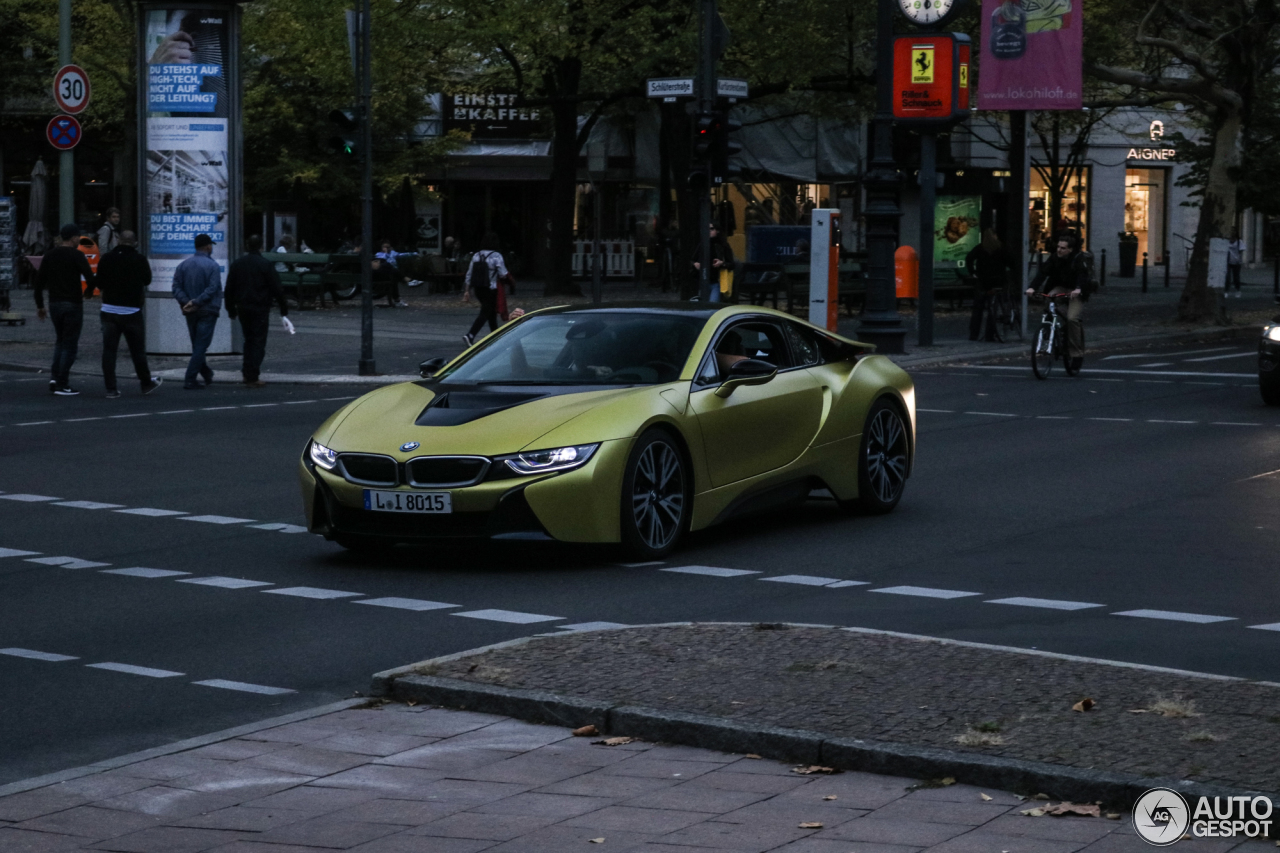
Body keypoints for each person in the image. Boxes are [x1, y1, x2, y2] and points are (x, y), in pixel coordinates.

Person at [96, 230, 162, 398]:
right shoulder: (139, 259)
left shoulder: (107, 258)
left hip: (109, 309)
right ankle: (146, 383)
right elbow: (147, 280)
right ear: (135, 242)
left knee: (109, 351)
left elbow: (99, 282)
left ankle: (111, 388)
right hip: (131, 311)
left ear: (118, 240)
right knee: (137, 350)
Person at [35, 223, 95, 396]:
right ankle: (62, 382)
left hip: (54, 304)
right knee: (70, 345)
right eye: (78, 237)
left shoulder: (50, 255)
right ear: (74, 237)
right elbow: (90, 278)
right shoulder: (77, 255)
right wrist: (89, 292)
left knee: (60, 341)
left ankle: (55, 377)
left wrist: (40, 305)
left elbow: (38, 283)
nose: (79, 240)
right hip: (72, 303)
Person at [225, 234, 290, 387]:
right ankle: (252, 374)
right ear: (261, 247)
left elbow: (229, 288)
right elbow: (276, 288)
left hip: (243, 307)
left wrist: (230, 308)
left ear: (247, 246)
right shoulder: (265, 264)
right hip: (260, 307)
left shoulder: (238, 264)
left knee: (248, 340)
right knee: (258, 341)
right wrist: (283, 308)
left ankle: (247, 372)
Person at [1027, 234, 1089, 371]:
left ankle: (1077, 354)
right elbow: (1043, 273)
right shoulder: (1055, 257)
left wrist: (1078, 289)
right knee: (1049, 297)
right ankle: (1049, 324)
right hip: (1060, 287)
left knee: (1072, 319)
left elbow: (1083, 276)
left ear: (1070, 250)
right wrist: (1032, 287)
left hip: (1075, 290)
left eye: (1063, 248)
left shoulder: (1078, 259)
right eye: (1058, 247)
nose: (1059, 250)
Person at [171, 233, 223, 389]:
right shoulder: (212, 266)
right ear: (207, 246)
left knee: (197, 344)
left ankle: (206, 373)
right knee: (201, 345)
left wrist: (186, 302)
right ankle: (190, 378)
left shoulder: (183, 265)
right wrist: (197, 301)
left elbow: (176, 287)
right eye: (210, 245)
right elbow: (213, 288)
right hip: (207, 309)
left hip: (190, 311)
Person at [965, 228, 1015, 341]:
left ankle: (974, 334)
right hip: (997, 281)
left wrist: (973, 272)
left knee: (978, 308)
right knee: (994, 308)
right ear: (995, 236)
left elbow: (969, 258)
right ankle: (990, 334)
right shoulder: (1001, 248)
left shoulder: (980, 248)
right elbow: (1011, 262)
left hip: (982, 281)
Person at [462, 232, 508, 345]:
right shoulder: (496, 255)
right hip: (491, 288)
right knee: (485, 312)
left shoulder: (477, 255)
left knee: (490, 312)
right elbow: (503, 274)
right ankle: (471, 334)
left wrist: (467, 290)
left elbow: (469, 273)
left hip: (478, 288)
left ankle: (495, 336)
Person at [692, 223, 736, 301]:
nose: (708, 231)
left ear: (717, 231)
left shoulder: (723, 245)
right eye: (707, 229)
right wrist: (695, 264)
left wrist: (722, 263)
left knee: (712, 303)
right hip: (702, 281)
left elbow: (732, 264)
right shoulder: (702, 244)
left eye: (711, 229)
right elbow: (693, 260)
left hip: (717, 281)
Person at [1226, 229, 1244, 297]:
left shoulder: (1239, 242)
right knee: (1227, 277)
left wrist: (1239, 259)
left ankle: (1238, 290)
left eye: (1233, 232)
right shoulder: (1227, 241)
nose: (1232, 233)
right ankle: (1226, 290)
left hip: (1236, 262)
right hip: (1228, 261)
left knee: (1236, 277)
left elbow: (1241, 251)